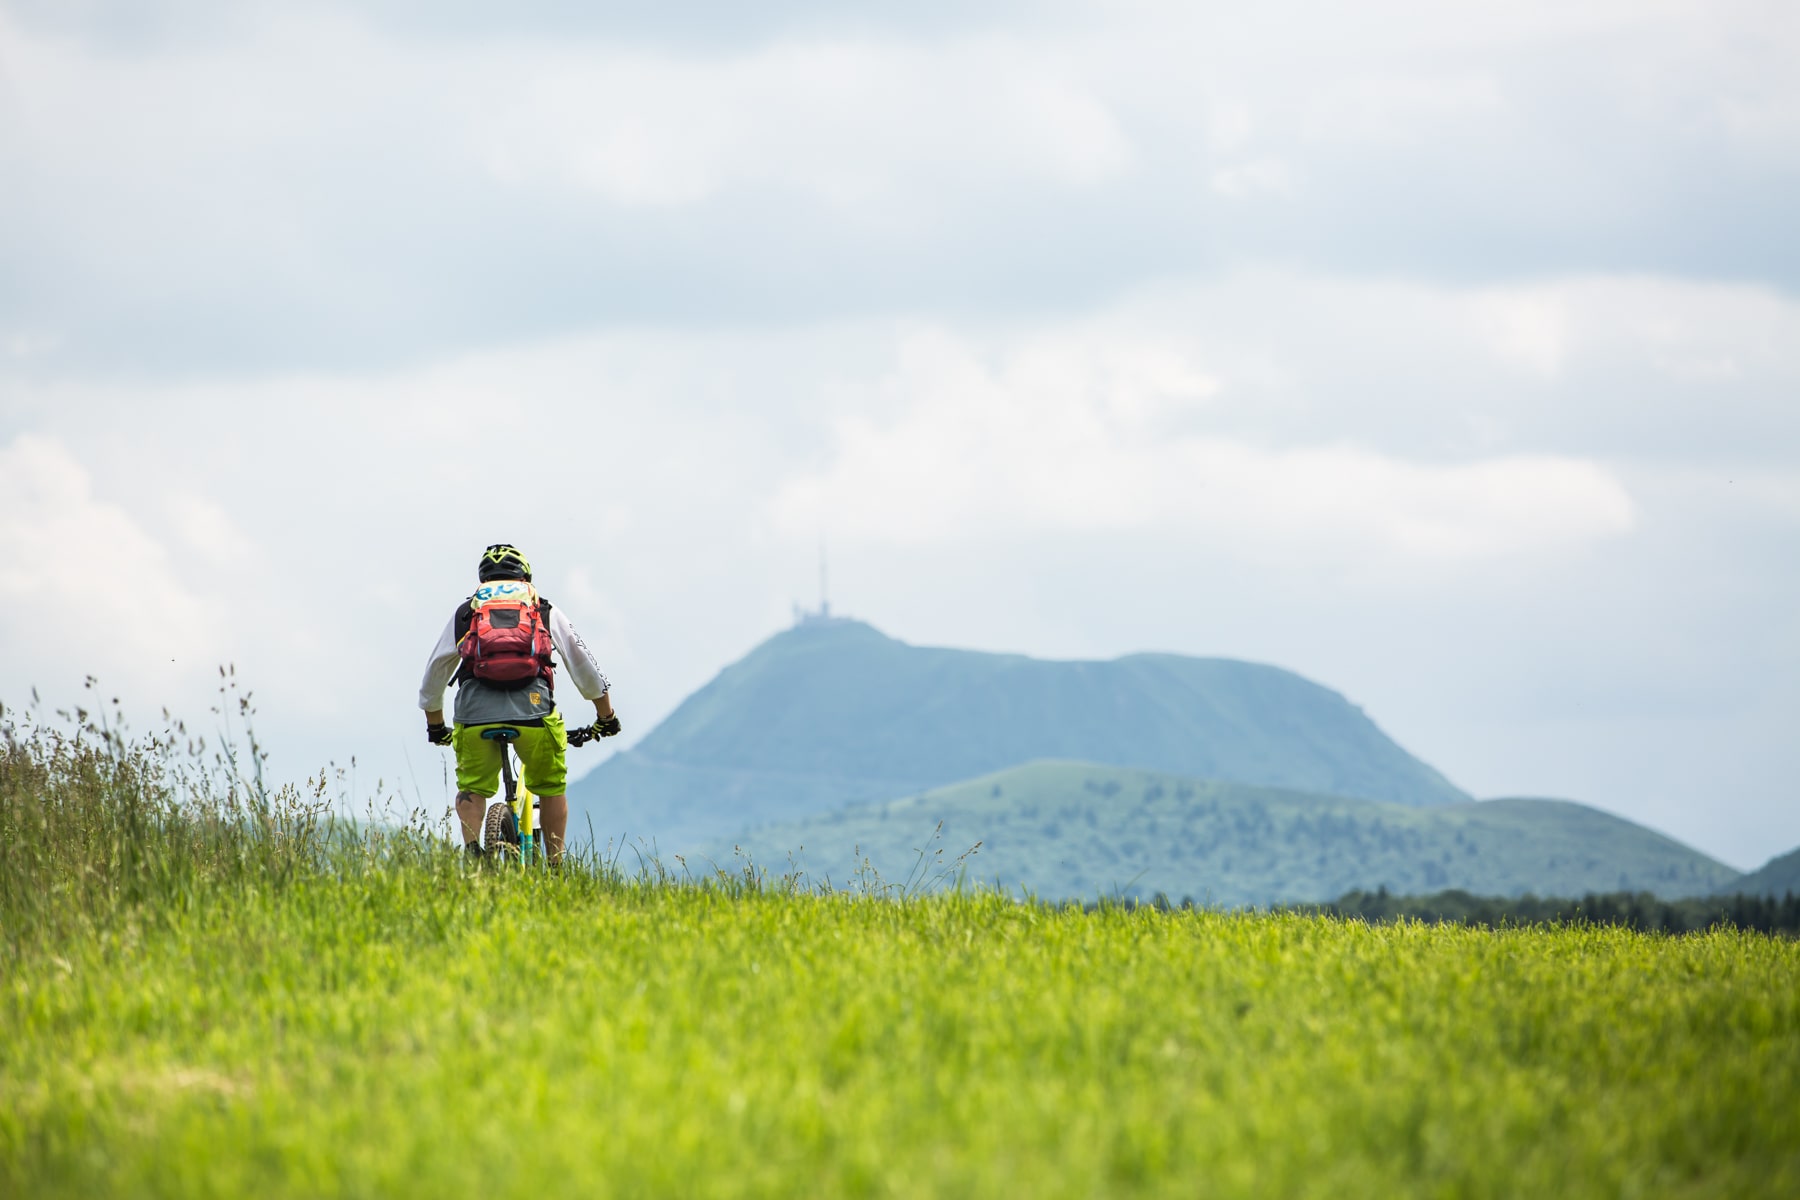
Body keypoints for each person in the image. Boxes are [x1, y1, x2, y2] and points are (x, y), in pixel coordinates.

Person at [419, 544, 619, 862]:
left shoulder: (466, 612)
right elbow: (585, 665)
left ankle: (474, 859)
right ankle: (555, 869)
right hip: (534, 710)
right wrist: (605, 716)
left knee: (473, 787)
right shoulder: (542, 608)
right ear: (525, 576)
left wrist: (435, 726)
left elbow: (433, 676)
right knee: (551, 785)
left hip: (474, 713)